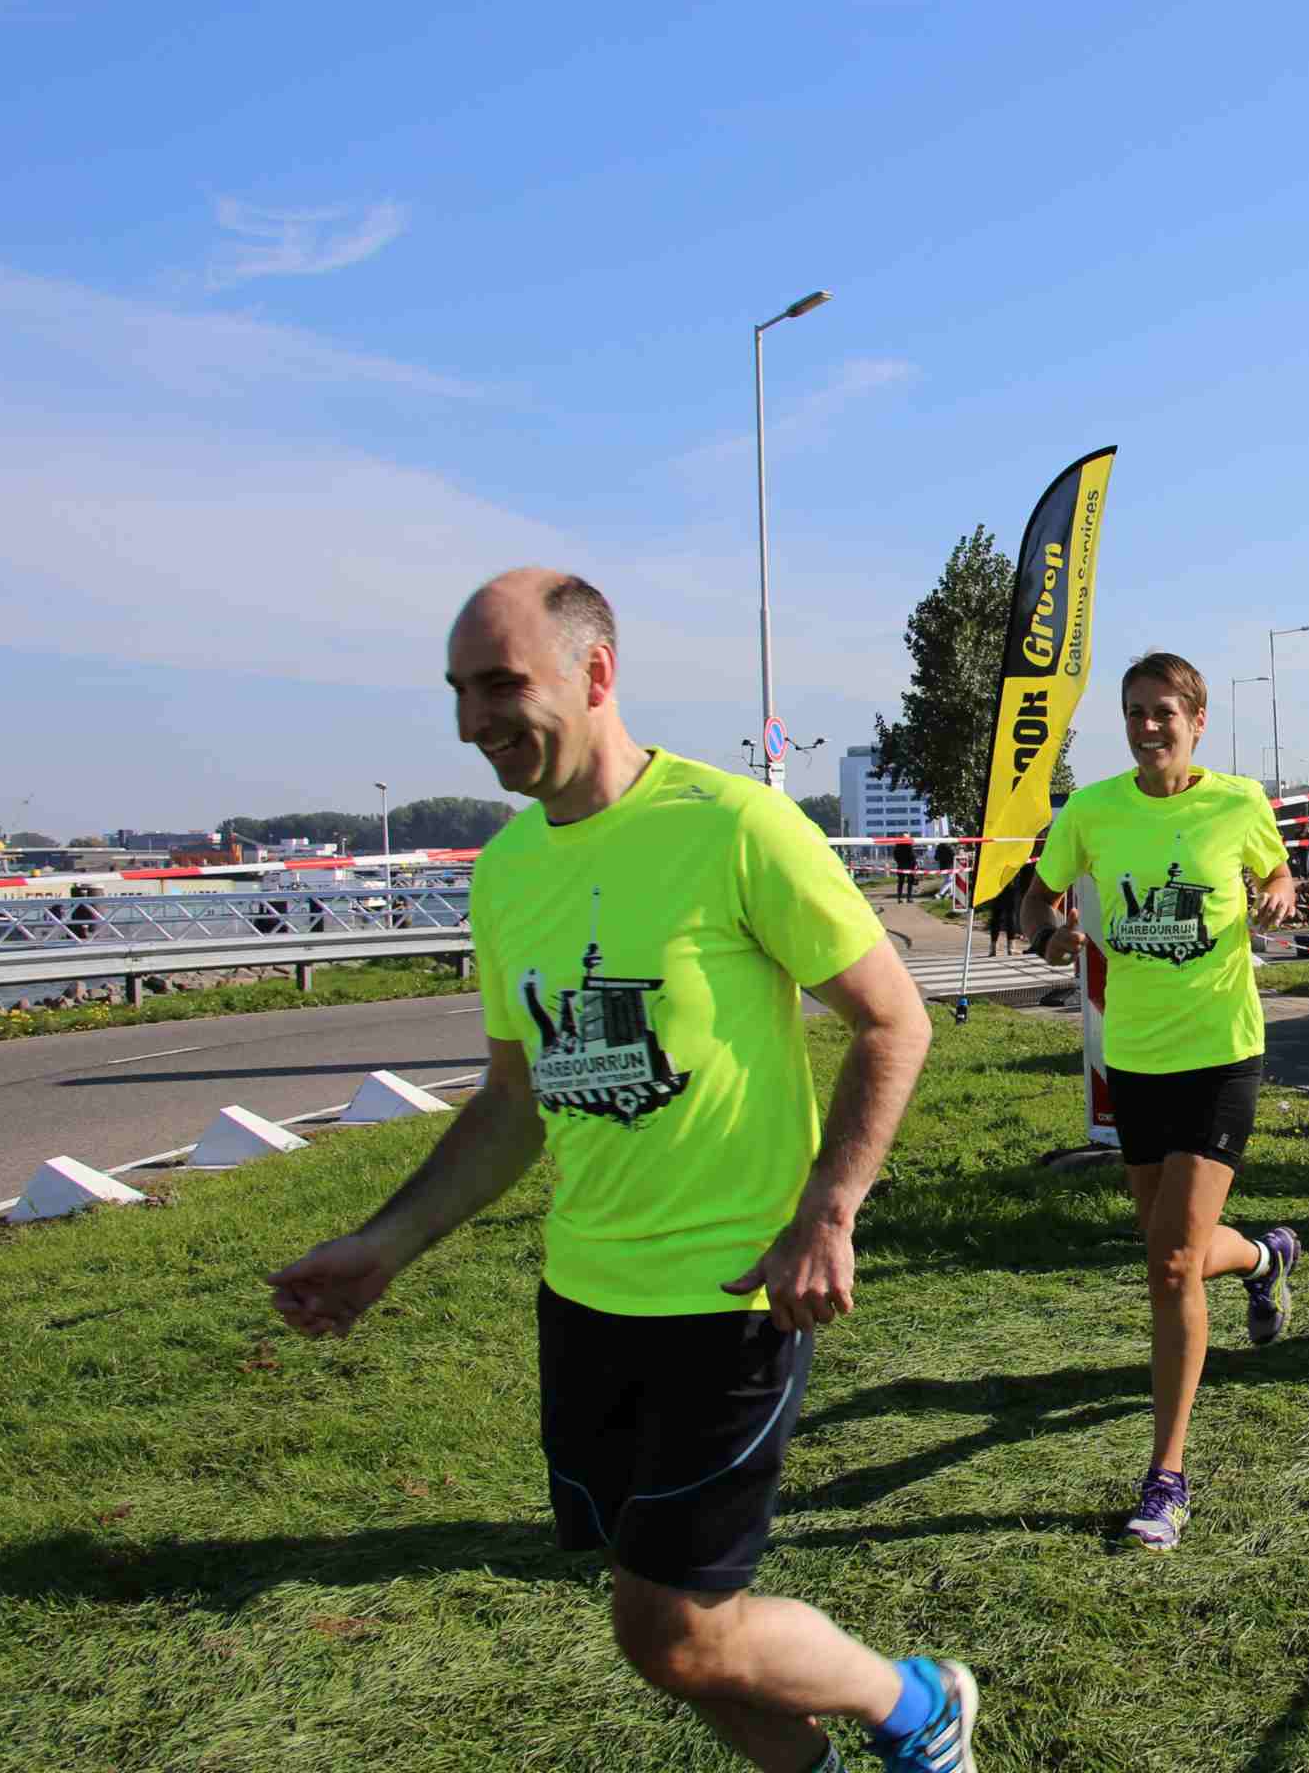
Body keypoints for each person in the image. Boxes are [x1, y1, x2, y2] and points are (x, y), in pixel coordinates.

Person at [268, 569, 976, 1773]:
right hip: (585, 1302)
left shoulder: (734, 825)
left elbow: (892, 1019)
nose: (472, 722)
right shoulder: (507, 872)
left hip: (730, 1298)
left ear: (595, 674)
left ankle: (916, 1704)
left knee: (673, 1631)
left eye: (500, 685)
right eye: (457, 691)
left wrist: (828, 1211)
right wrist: (383, 1248)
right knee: (665, 1629)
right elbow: (513, 1104)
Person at [1017, 652, 1300, 1553]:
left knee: (1171, 1265)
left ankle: (1166, 1477)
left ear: (1197, 720)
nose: (1148, 727)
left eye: (1164, 712)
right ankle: (1264, 1256)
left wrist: (1278, 895)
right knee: (1167, 1253)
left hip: (1222, 1055)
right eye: (1135, 712)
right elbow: (1036, 900)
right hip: (1134, 1061)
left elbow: (1279, 874)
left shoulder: (1238, 803)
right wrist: (1048, 935)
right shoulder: (1092, 811)